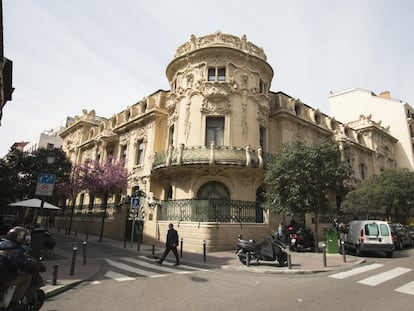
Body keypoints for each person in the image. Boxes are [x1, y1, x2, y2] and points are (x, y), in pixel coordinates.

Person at [0, 226, 40, 306]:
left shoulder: (2, 243)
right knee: (26, 277)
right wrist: (37, 266)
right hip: (3, 275)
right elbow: (24, 263)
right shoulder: (16, 249)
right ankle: (15, 303)